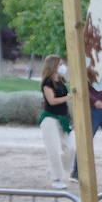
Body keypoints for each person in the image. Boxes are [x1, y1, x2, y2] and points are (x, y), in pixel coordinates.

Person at [38, 55, 75, 189]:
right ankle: (57, 178)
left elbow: (72, 79)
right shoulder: (47, 83)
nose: (63, 66)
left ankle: (53, 170)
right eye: (60, 64)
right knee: (54, 149)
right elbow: (52, 101)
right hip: (50, 119)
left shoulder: (60, 80)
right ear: (54, 66)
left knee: (71, 147)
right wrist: (69, 97)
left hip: (62, 119)